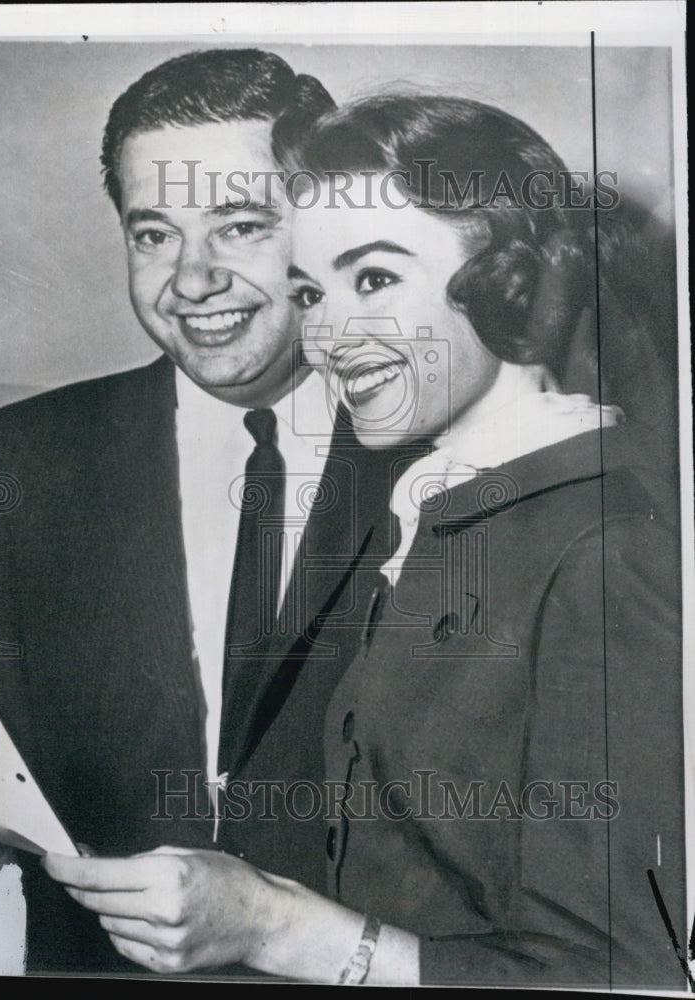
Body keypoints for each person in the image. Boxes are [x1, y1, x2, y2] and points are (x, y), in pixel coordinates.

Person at [40, 94, 685, 990]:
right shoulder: (447, 505)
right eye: (311, 292)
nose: (328, 336)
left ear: (511, 280)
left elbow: (629, 979)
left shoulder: (609, 546)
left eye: (374, 279)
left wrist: (274, 927)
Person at [0, 49, 402, 975]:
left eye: (239, 226)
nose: (192, 280)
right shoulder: (27, 458)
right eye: (155, 234)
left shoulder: (447, 452)